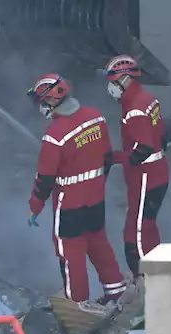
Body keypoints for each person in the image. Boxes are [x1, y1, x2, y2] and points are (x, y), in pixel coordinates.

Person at [26, 74, 127, 315]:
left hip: (69, 205)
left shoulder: (55, 135)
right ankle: (118, 291)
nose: (41, 108)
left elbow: (45, 179)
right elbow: (107, 157)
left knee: (71, 255)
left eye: (42, 102)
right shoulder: (96, 117)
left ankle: (78, 307)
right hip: (95, 199)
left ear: (51, 101)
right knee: (98, 243)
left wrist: (35, 207)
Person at [104, 55, 170, 283]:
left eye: (112, 82)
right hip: (159, 171)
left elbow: (142, 148)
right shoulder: (149, 98)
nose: (110, 87)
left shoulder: (134, 110)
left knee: (137, 231)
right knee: (148, 225)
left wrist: (116, 158)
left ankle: (145, 279)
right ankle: (157, 271)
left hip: (146, 176)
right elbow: (163, 135)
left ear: (125, 80)